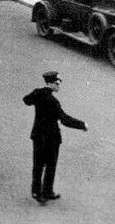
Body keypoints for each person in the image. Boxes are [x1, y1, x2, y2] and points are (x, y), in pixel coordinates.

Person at [23, 71, 87, 204]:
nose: (59, 86)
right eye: (57, 83)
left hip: (38, 136)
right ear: (50, 84)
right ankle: (46, 191)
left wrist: (38, 93)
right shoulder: (53, 101)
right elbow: (64, 119)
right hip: (51, 138)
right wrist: (82, 125)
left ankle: (38, 191)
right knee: (50, 165)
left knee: (38, 165)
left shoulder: (39, 93)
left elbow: (26, 100)